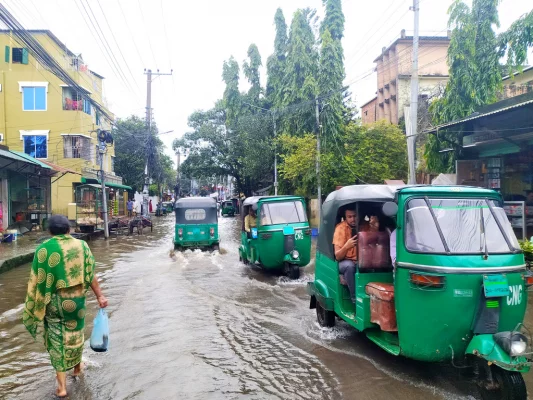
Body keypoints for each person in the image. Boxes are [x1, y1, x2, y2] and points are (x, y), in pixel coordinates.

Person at [22, 215, 108, 398]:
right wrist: (100, 295)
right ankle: (77, 370)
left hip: (54, 303)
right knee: (76, 335)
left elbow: (36, 280)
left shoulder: (43, 249)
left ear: (50, 231)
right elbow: (90, 273)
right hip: (76, 303)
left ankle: (61, 387)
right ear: (68, 229)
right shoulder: (81, 246)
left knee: (57, 341)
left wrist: (34, 307)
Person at [333, 208, 358, 304]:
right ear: (345, 217)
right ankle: (354, 299)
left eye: (355, 216)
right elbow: (337, 256)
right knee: (349, 266)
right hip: (343, 262)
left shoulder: (364, 225)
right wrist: (346, 246)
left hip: (361, 261)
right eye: (350, 217)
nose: (353, 219)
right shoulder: (340, 229)